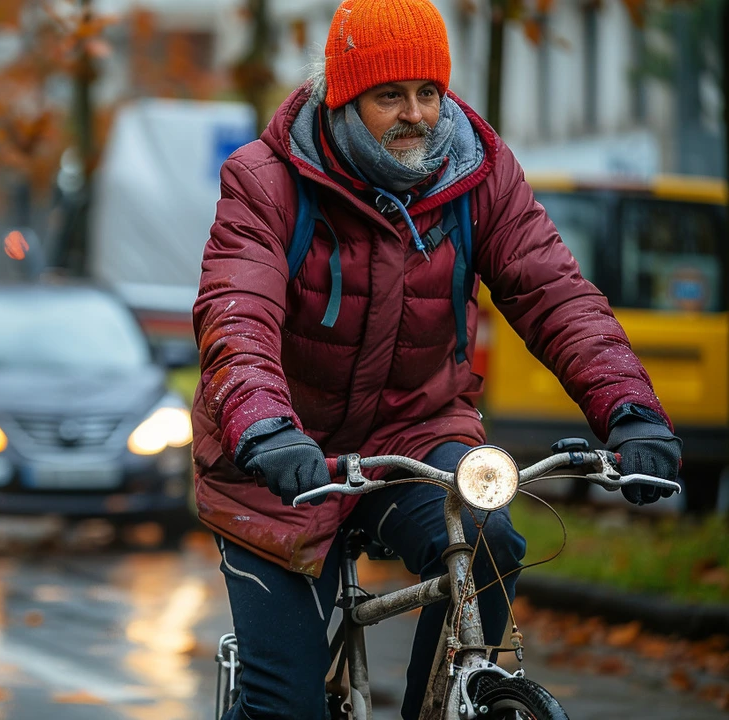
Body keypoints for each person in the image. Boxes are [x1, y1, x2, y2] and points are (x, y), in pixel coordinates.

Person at [191, 0, 683, 718]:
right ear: (343, 97)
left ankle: (444, 701)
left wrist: (631, 411)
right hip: (280, 459)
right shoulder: (265, 180)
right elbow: (237, 318)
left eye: (428, 92)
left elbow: (555, 294)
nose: (415, 113)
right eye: (389, 94)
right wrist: (266, 427)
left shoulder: (479, 174)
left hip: (415, 435)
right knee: (282, 704)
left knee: (488, 532)